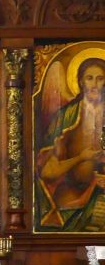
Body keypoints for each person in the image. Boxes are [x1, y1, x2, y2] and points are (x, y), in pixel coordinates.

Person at [37, 57, 105, 231]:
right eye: (89, 78)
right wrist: (80, 158)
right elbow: (47, 172)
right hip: (73, 193)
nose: (94, 84)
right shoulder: (66, 116)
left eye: (100, 78)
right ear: (81, 82)